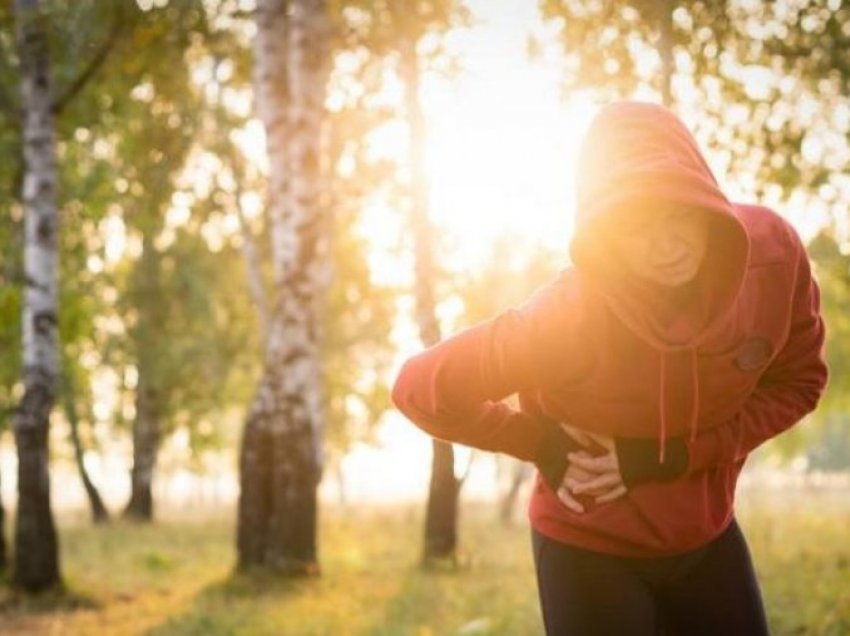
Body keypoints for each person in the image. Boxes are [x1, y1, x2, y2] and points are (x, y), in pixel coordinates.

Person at [391, 100, 829, 635]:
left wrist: (671, 457)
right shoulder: (567, 316)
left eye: (679, 216)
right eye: (637, 226)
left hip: (707, 535)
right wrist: (538, 442)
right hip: (588, 548)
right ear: (604, 234)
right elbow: (417, 388)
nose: (666, 245)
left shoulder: (772, 259)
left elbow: (801, 382)